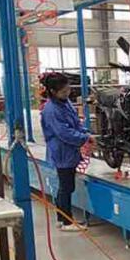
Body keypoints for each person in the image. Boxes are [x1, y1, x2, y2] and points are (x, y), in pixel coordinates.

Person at [40, 74, 92, 232]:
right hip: (62, 151)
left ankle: (61, 218)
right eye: (64, 91)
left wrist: (85, 132)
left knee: (65, 186)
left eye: (68, 89)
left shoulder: (65, 102)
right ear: (53, 91)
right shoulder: (51, 110)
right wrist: (84, 138)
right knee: (66, 187)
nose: (67, 93)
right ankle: (67, 222)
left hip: (69, 150)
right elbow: (64, 133)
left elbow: (75, 123)